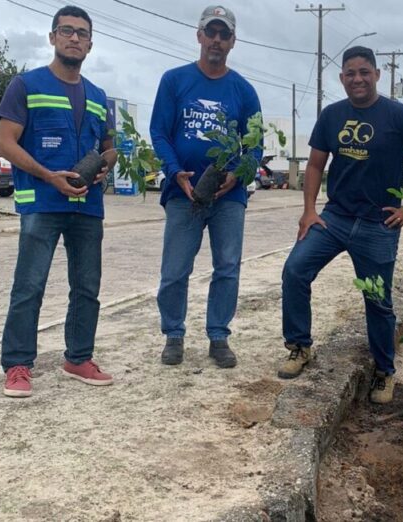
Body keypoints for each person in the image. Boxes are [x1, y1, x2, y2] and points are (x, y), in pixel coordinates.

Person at [277, 46, 403, 404]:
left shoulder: (400, 115)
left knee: (377, 299)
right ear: (342, 79)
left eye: (364, 72)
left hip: (378, 224)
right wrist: (308, 210)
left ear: (378, 75)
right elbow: (316, 165)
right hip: (334, 217)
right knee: (295, 270)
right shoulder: (332, 115)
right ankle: (299, 347)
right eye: (350, 73)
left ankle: (384, 370)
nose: (357, 79)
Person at [0, 5, 116, 398]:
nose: (74, 38)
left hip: (87, 205)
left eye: (82, 33)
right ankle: (17, 364)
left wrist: (104, 164)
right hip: (42, 204)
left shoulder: (99, 97)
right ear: (52, 37)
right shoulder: (26, 85)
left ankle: (78, 358)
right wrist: (49, 176)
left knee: (87, 287)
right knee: (29, 286)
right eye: (66, 30)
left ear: (90, 44)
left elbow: (110, 147)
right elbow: (5, 143)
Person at [150, 5, 261, 368]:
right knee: (175, 269)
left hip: (229, 196)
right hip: (184, 193)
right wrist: (174, 170)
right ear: (199, 35)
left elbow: (255, 142)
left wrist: (240, 174)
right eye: (210, 32)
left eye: (224, 34)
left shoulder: (243, 91)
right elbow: (159, 132)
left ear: (232, 42)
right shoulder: (174, 80)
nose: (216, 40)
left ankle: (218, 336)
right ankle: (174, 335)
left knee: (227, 266)